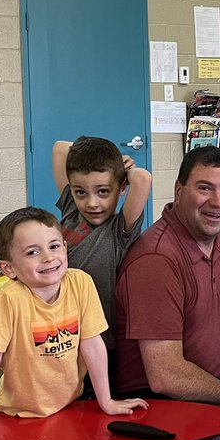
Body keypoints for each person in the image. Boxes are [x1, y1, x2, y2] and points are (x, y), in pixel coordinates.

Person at [0, 207, 146, 440]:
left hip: (70, 402)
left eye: (54, 246)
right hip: (17, 413)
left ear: (66, 248)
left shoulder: (81, 283)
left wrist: (107, 401)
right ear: (8, 268)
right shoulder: (9, 299)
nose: (48, 257)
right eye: (33, 252)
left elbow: (93, 345)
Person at [113, 146, 220, 411]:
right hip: (156, 405)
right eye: (204, 188)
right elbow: (166, 376)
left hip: (211, 385)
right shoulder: (156, 260)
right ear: (179, 192)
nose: (217, 202)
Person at [52, 136, 151, 375]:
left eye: (104, 191)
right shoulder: (71, 210)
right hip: (61, 330)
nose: (92, 203)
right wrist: (111, 166)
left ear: (121, 188)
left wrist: (124, 169)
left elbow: (143, 179)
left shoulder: (120, 230)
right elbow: (60, 148)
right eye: (81, 192)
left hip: (101, 338)